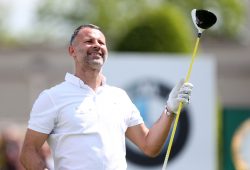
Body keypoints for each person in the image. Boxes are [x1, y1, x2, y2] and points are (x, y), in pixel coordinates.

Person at [20, 24, 193, 170]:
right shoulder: (52, 97)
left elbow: (149, 146)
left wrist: (170, 110)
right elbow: (29, 151)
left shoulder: (119, 97)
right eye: (89, 41)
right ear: (72, 51)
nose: (97, 45)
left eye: (101, 42)